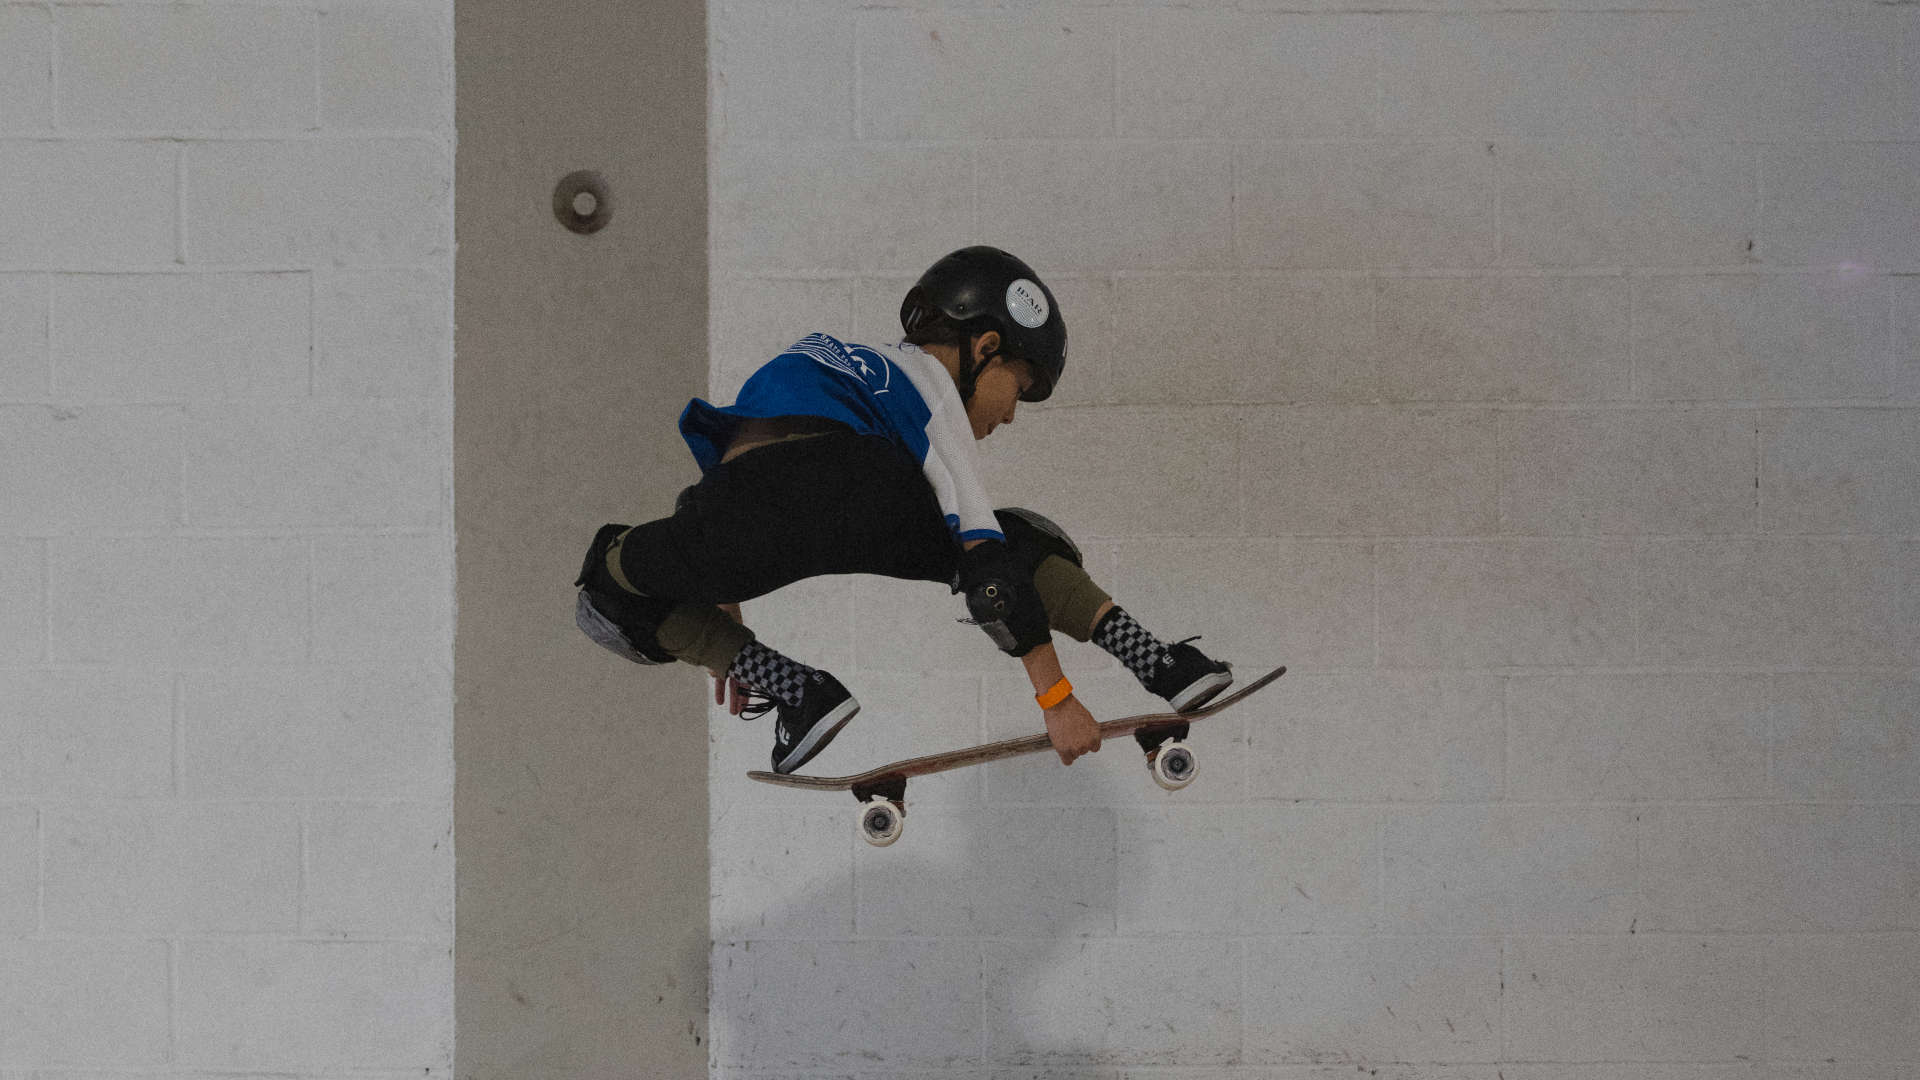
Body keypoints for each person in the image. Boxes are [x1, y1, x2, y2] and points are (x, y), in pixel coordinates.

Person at [574, 246, 1233, 775]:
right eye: (1018, 386)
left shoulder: (837, 357)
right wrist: (1057, 699)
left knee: (607, 584)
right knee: (1014, 541)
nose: (1008, 413)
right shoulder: (930, 398)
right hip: (865, 485)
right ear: (983, 348)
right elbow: (992, 576)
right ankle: (1160, 664)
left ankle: (794, 689)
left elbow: (740, 481)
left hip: (742, 510)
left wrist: (713, 588)